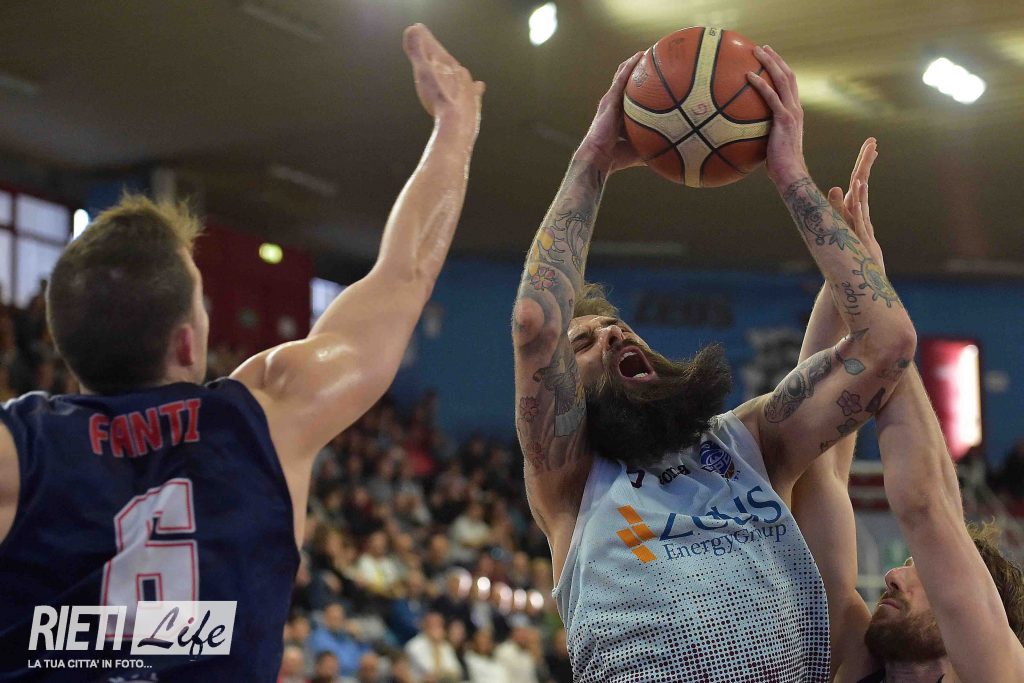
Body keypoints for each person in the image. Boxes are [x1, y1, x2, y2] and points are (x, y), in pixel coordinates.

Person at [0, 24, 483, 682]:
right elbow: (406, 273)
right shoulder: (268, 420)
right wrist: (456, 127)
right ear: (187, 339)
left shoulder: (19, 451)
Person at [511, 45, 918, 680]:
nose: (613, 335)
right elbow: (537, 325)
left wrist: (790, 176)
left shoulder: (749, 441)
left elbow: (887, 345)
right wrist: (593, 159)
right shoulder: (572, 479)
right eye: (583, 345)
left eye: (618, 328)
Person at [791, 139, 1024, 682]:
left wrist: (874, 308)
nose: (892, 575)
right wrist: (846, 280)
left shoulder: (1001, 672)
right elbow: (816, 470)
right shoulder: (855, 658)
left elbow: (926, 504)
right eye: (911, 564)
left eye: (922, 569)